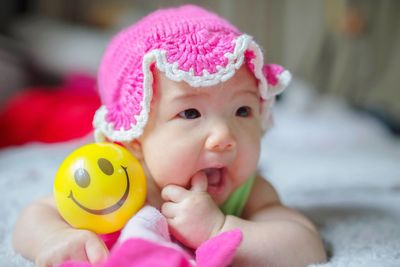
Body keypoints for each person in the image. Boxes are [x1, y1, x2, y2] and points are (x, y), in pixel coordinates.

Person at [12, 5, 327, 267]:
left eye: (242, 110)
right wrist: (54, 238)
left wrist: (217, 227)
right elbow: (37, 214)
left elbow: (305, 244)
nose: (223, 135)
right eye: (190, 113)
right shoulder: (118, 182)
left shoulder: (247, 191)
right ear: (134, 138)